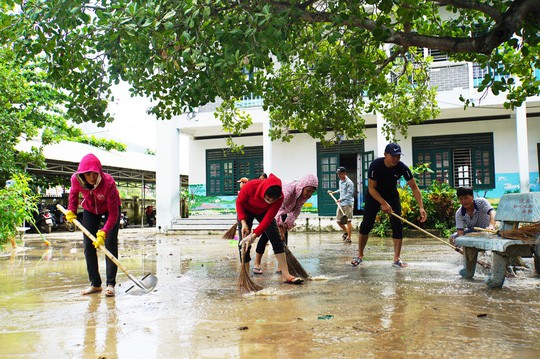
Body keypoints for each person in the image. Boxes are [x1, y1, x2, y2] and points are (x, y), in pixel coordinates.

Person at [353, 143, 427, 268]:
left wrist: (421, 207)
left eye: (398, 156)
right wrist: (383, 203)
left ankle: (397, 258)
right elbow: (371, 188)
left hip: (391, 195)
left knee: (397, 225)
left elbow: (414, 187)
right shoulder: (376, 165)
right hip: (374, 195)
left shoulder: (401, 167)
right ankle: (360, 255)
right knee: (367, 224)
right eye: (393, 156)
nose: (396, 159)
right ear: (385, 155)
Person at [65, 154, 121, 297]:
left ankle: (110, 284)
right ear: (82, 174)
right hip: (90, 209)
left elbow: (114, 215)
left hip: (110, 209)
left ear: (99, 172)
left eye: (94, 173)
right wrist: (72, 210)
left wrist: (104, 231)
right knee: (88, 246)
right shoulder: (75, 180)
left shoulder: (108, 183)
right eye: (87, 174)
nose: (91, 177)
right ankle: (95, 284)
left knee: (110, 242)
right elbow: (73, 194)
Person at [236, 173, 303, 284]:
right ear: (263, 192)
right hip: (246, 210)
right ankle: (246, 276)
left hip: (263, 212)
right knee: (244, 243)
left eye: (272, 200)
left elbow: (267, 220)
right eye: (267, 199)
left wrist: (253, 236)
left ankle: (286, 275)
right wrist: (243, 222)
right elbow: (239, 202)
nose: (270, 202)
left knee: (276, 238)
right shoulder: (250, 186)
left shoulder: (279, 197)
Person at [252, 174, 319, 274]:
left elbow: (296, 210)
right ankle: (257, 263)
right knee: (267, 235)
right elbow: (278, 208)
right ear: (302, 186)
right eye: (308, 190)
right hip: (271, 208)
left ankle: (281, 264)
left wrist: (286, 225)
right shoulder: (289, 190)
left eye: (312, 192)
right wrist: (279, 227)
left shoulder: (302, 196)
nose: (309, 194)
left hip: (283, 211)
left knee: (283, 237)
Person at [327, 166, 354, 243]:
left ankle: (349, 238)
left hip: (348, 203)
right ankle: (346, 232)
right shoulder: (340, 181)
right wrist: (334, 192)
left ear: (344, 173)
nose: (339, 175)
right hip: (341, 204)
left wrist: (340, 199)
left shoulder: (349, 182)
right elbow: (341, 190)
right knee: (338, 221)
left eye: (340, 174)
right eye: (338, 174)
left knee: (348, 221)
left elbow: (350, 194)